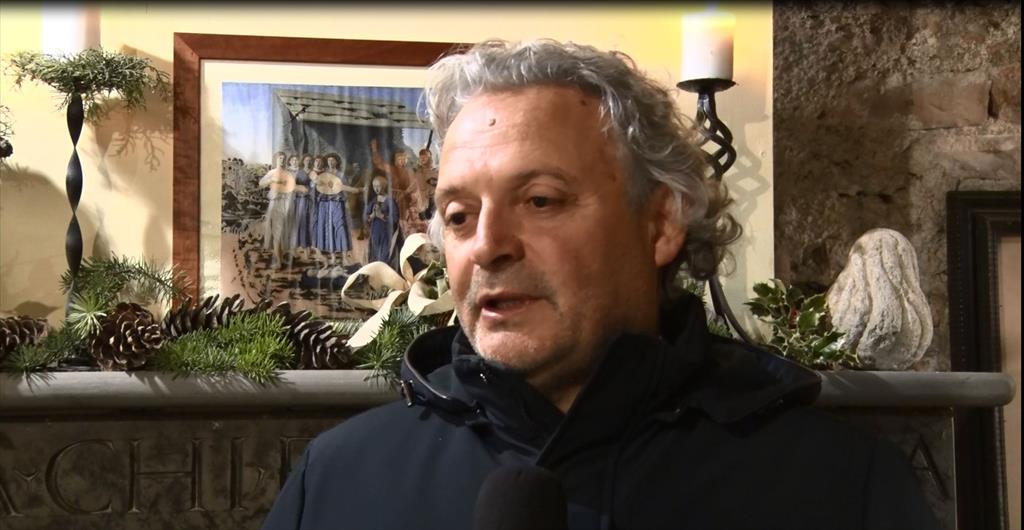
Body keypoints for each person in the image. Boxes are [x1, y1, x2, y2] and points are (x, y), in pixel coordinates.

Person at [262, 39, 939, 530]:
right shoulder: (338, 478)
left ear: (661, 222)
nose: (488, 246)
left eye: (541, 200)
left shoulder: (839, 487)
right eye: (460, 215)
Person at [257, 151, 295, 270]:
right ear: (276, 160)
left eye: (283, 158)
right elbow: (261, 183)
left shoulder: (288, 173)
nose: (282, 161)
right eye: (280, 158)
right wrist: (272, 180)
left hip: (285, 203)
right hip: (275, 203)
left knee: (283, 231)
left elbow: (291, 187)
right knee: (276, 231)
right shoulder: (272, 172)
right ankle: (278, 261)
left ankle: (281, 258)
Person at [364, 173, 402, 266]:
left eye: (378, 186)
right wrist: (372, 215)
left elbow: (395, 218)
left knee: (384, 257)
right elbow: (366, 217)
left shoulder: (390, 201)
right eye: (374, 186)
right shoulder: (374, 200)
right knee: (374, 255)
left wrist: (381, 215)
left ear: (384, 186)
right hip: (375, 233)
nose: (376, 189)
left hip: (386, 233)